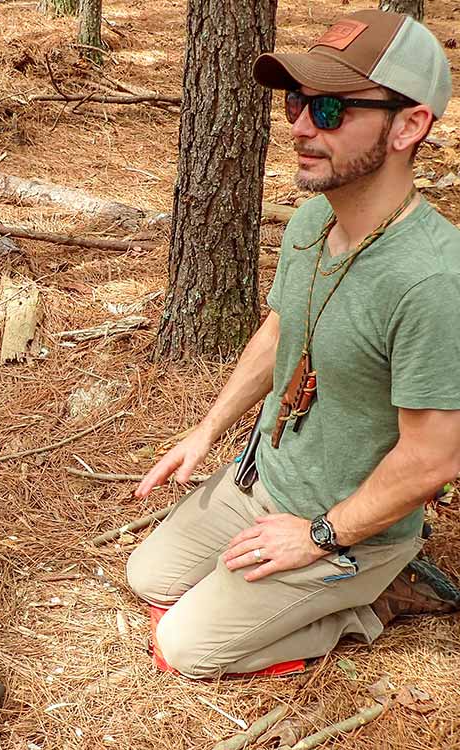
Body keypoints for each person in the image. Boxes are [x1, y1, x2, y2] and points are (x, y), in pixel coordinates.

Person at [126, 10, 460, 678]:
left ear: (409, 125)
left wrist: (320, 536)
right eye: (297, 101)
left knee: (186, 649)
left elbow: (433, 460)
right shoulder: (315, 217)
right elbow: (280, 329)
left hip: (342, 529)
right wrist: (207, 430)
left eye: (330, 108)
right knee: (149, 579)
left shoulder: (434, 281)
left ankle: (379, 593)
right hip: (263, 482)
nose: (301, 126)